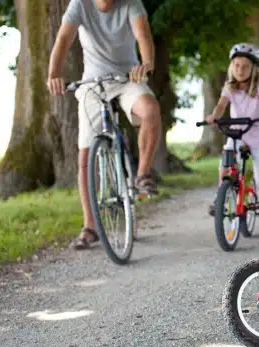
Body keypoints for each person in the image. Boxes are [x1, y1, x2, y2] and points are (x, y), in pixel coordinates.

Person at [46, 0, 162, 249]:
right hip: (92, 83)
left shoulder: (130, 3)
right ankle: (90, 226)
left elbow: (143, 35)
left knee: (150, 110)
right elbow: (63, 39)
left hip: (129, 77)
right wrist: (53, 74)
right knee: (85, 156)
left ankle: (142, 174)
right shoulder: (80, 5)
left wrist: (147, 64)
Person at [204, 43, 259, 217]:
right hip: (237, 134)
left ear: (253, 69)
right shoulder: (229, 87)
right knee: (225, 164)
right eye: (237, 65)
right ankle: (220, 197)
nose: (240, 70)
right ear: (232, 67)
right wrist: (214, 116)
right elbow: (220, 106)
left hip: (258, 136)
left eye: (245, 66)